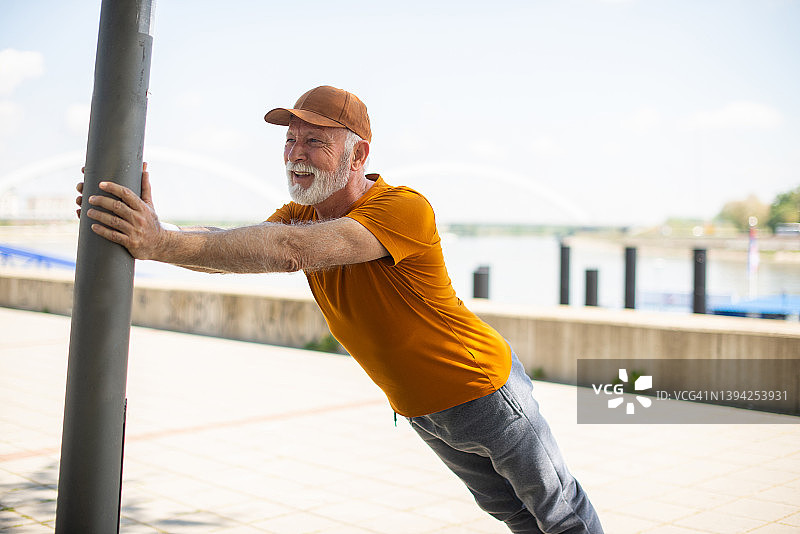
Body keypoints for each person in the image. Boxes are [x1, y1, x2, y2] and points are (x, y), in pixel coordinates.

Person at [77, 85, 604, 534]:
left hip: (485, 391)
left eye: (315, 141)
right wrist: (155, 232)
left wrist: (161, 245)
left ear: (358, 155)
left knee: (561, 516)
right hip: (424, 410)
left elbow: (289, 252)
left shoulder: (402, 208)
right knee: (512, 514)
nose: (296, 153)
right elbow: (232, 243)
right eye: (290, 140)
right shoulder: (299, 214)